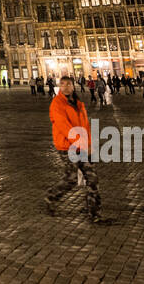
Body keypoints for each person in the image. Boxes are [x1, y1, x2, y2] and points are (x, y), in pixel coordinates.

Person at [45, 76, 104, 222]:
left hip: (83, 146)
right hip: (67, 147)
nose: (65, 87)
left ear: (73, 86)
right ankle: (51, 196)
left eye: (68, 84)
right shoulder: (57, 103)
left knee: (92, 178)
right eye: (62, 84)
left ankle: (94, 213)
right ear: (59, 86)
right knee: (71, 179)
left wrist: (89, 144)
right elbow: (64, 126)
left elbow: (85, 126)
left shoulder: (79, 104)